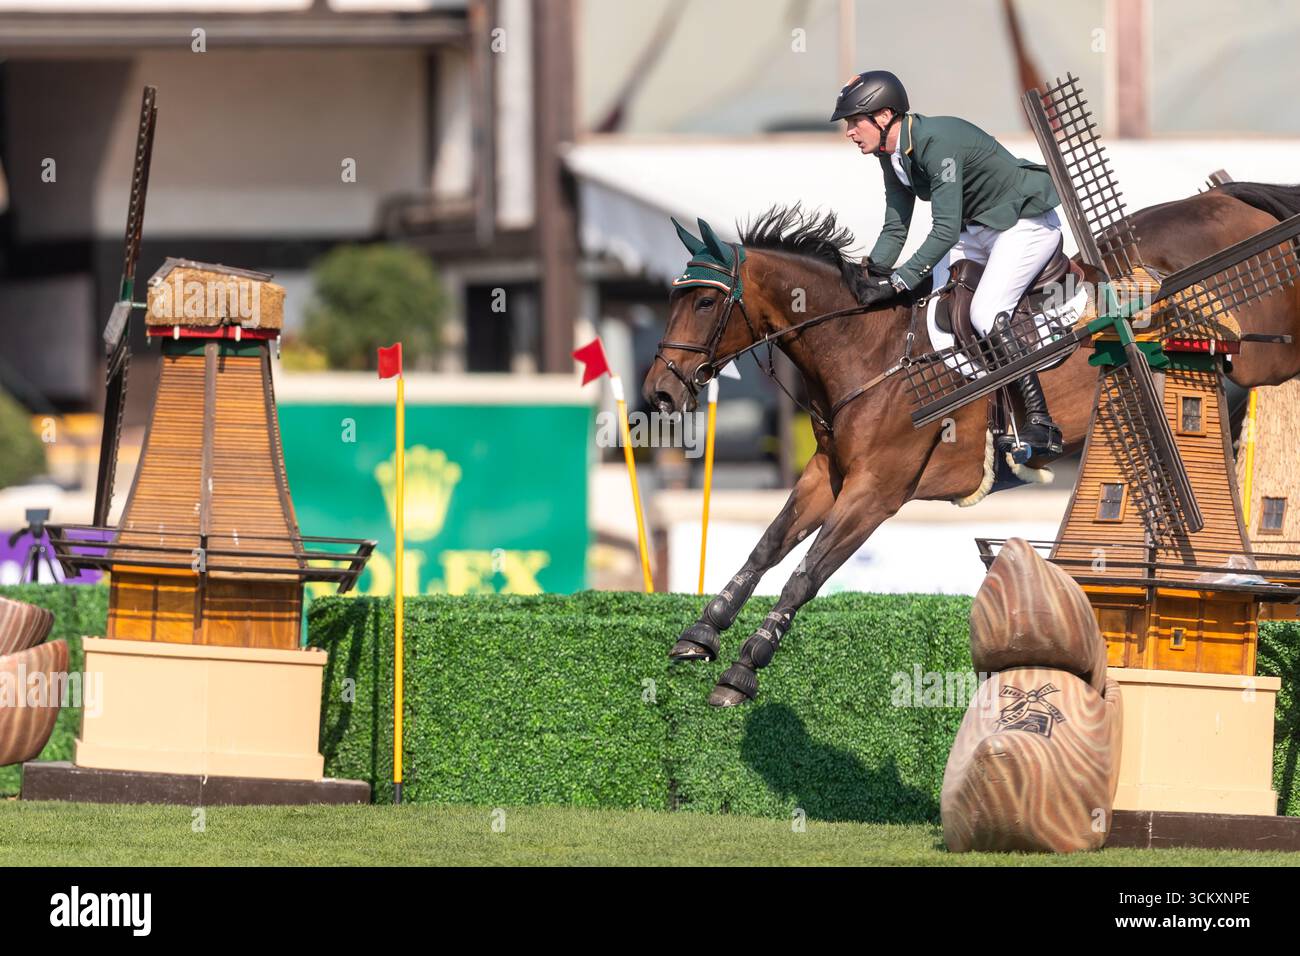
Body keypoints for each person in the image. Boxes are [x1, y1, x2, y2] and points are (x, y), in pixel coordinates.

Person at [832, 69, 1064, 457]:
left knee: (987, 311)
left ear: (884, 116)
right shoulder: (892, 156)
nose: (850, 132)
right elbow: (895, 225)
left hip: (1024, 223)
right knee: (930, 307)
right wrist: (869, 275)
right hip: (976, 231)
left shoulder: (936, 142)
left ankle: (1040, 421)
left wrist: (898, 281)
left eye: (855, 121)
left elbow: (942, 232)